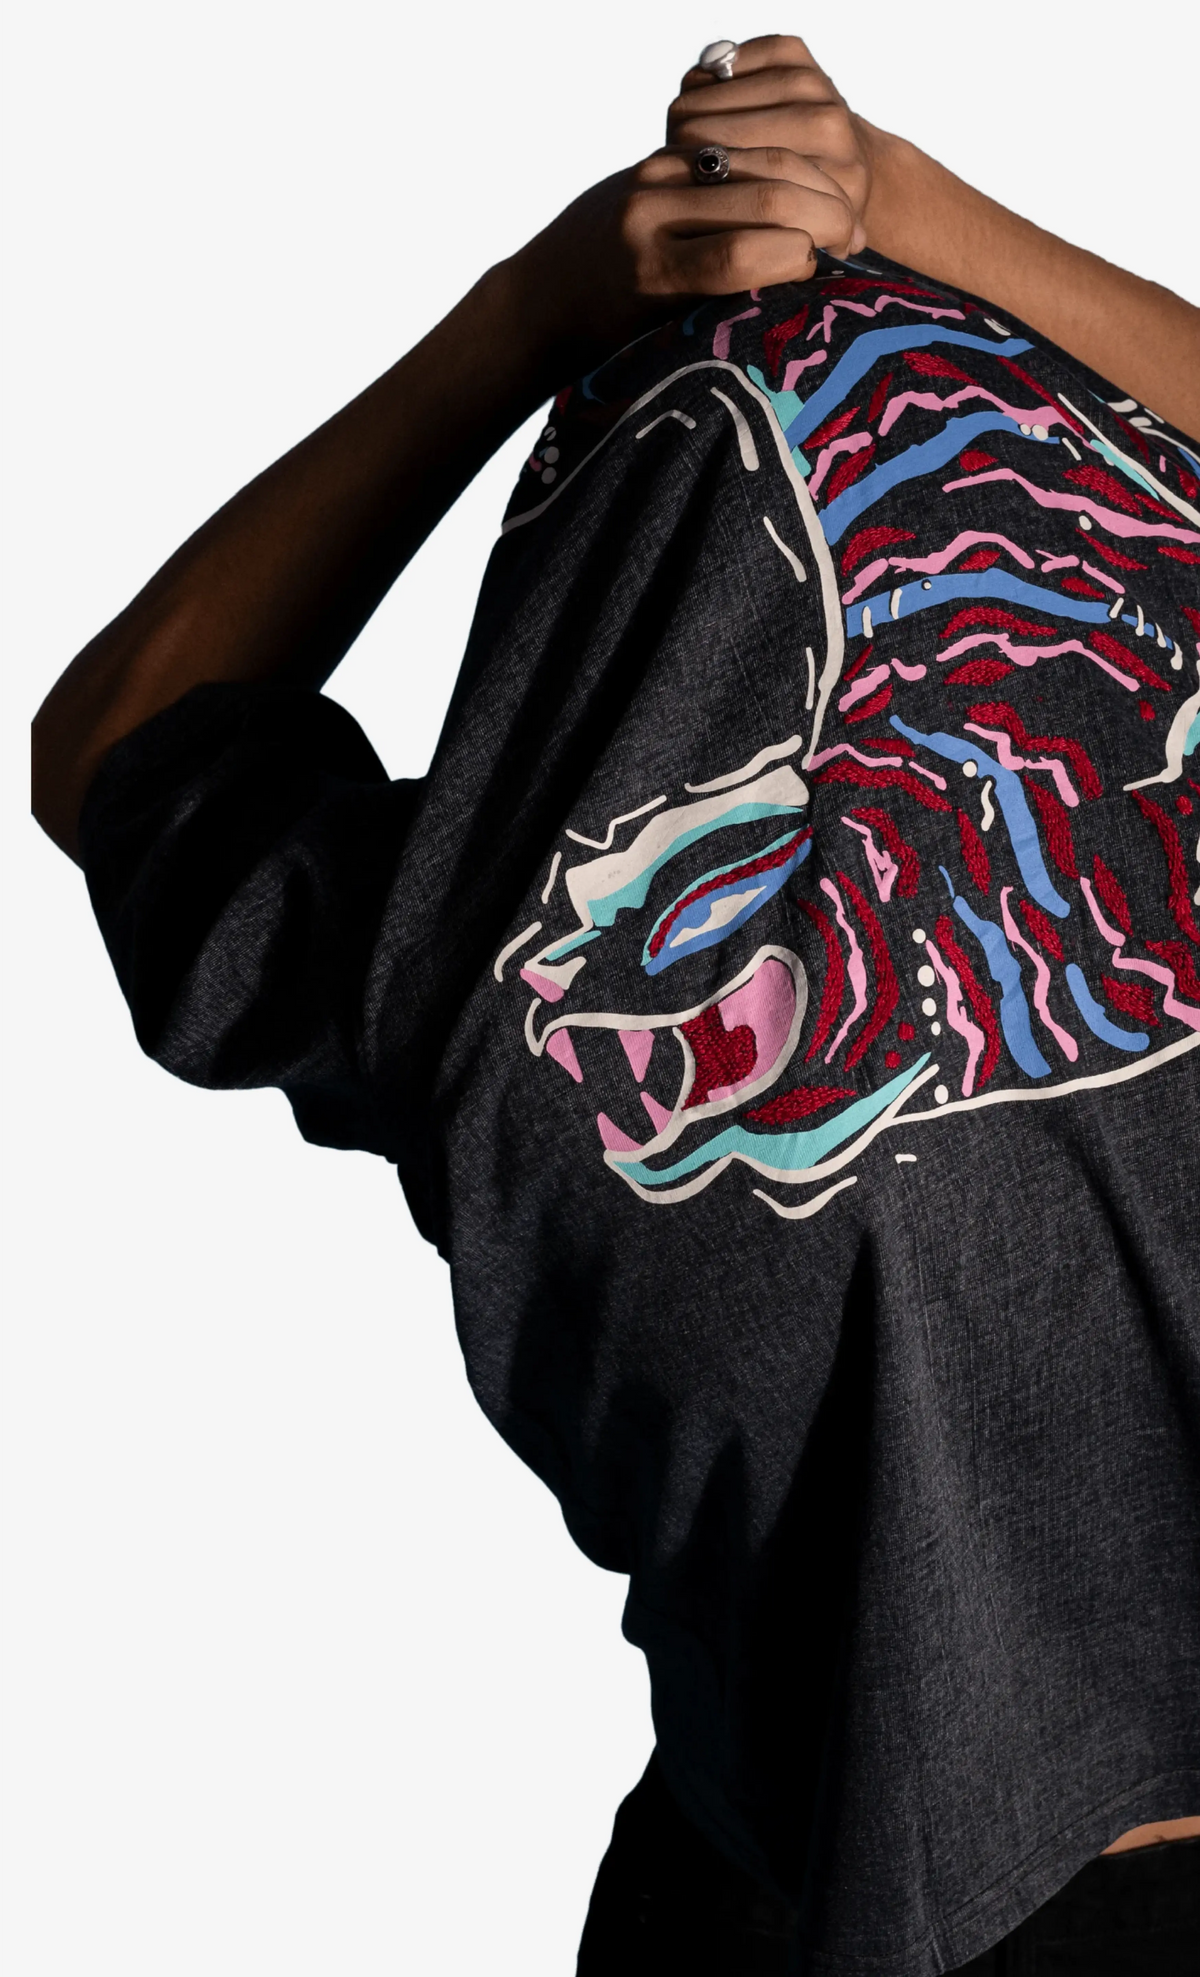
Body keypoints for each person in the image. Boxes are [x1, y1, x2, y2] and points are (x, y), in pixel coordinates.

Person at [31, 33, 1200, 1977]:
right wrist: (926, 220)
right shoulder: (1134, 852)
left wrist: (535, 317)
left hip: (744, 1895)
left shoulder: (488, 965)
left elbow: (119, 743)